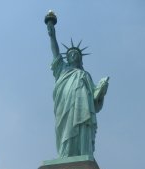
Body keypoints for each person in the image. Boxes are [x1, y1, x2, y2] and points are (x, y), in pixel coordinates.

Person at [46, 14, 109, 158]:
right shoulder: (62, 69)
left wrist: (102, 90)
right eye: (71, 54)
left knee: (82, 126)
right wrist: (52, 36)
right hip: (64, 106)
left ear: (80, 59)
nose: (73, 55)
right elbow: (55, 53)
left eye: (76, 54)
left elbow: (94, 98)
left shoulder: (85, 75)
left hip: (83, 108)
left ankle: (83, 153)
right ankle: (65, 154)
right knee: (66, 128)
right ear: (67, 58)